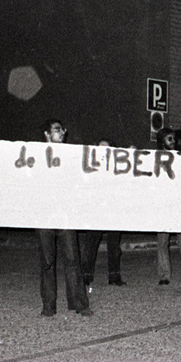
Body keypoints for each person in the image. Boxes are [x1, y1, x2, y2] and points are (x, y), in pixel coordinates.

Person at [36, 119, 92, 317]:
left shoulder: (71, 156)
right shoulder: (37, 157)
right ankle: (48, 306)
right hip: (45, 216)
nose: (61, 133)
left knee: (72, 259)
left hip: (66, 215)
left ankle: (79, 303)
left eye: (62, 130)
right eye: (57, 130)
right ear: (47, 134)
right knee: (47, 262)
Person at [80, 138, 127, 290]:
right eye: (100, 148)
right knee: (91, 244)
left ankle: (114, 276)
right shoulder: (92, 167)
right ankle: (86, 276)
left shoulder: (116, 168)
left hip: (113, 210)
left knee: (114, 245)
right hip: (96, 210)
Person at [155, 128, 181, 286]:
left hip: (180, 204)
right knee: (162, 242)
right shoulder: (156, 159)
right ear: (162, 142)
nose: (173, 141)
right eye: (169, 139)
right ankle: (164, 275)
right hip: (164, 205)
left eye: (173, 138)